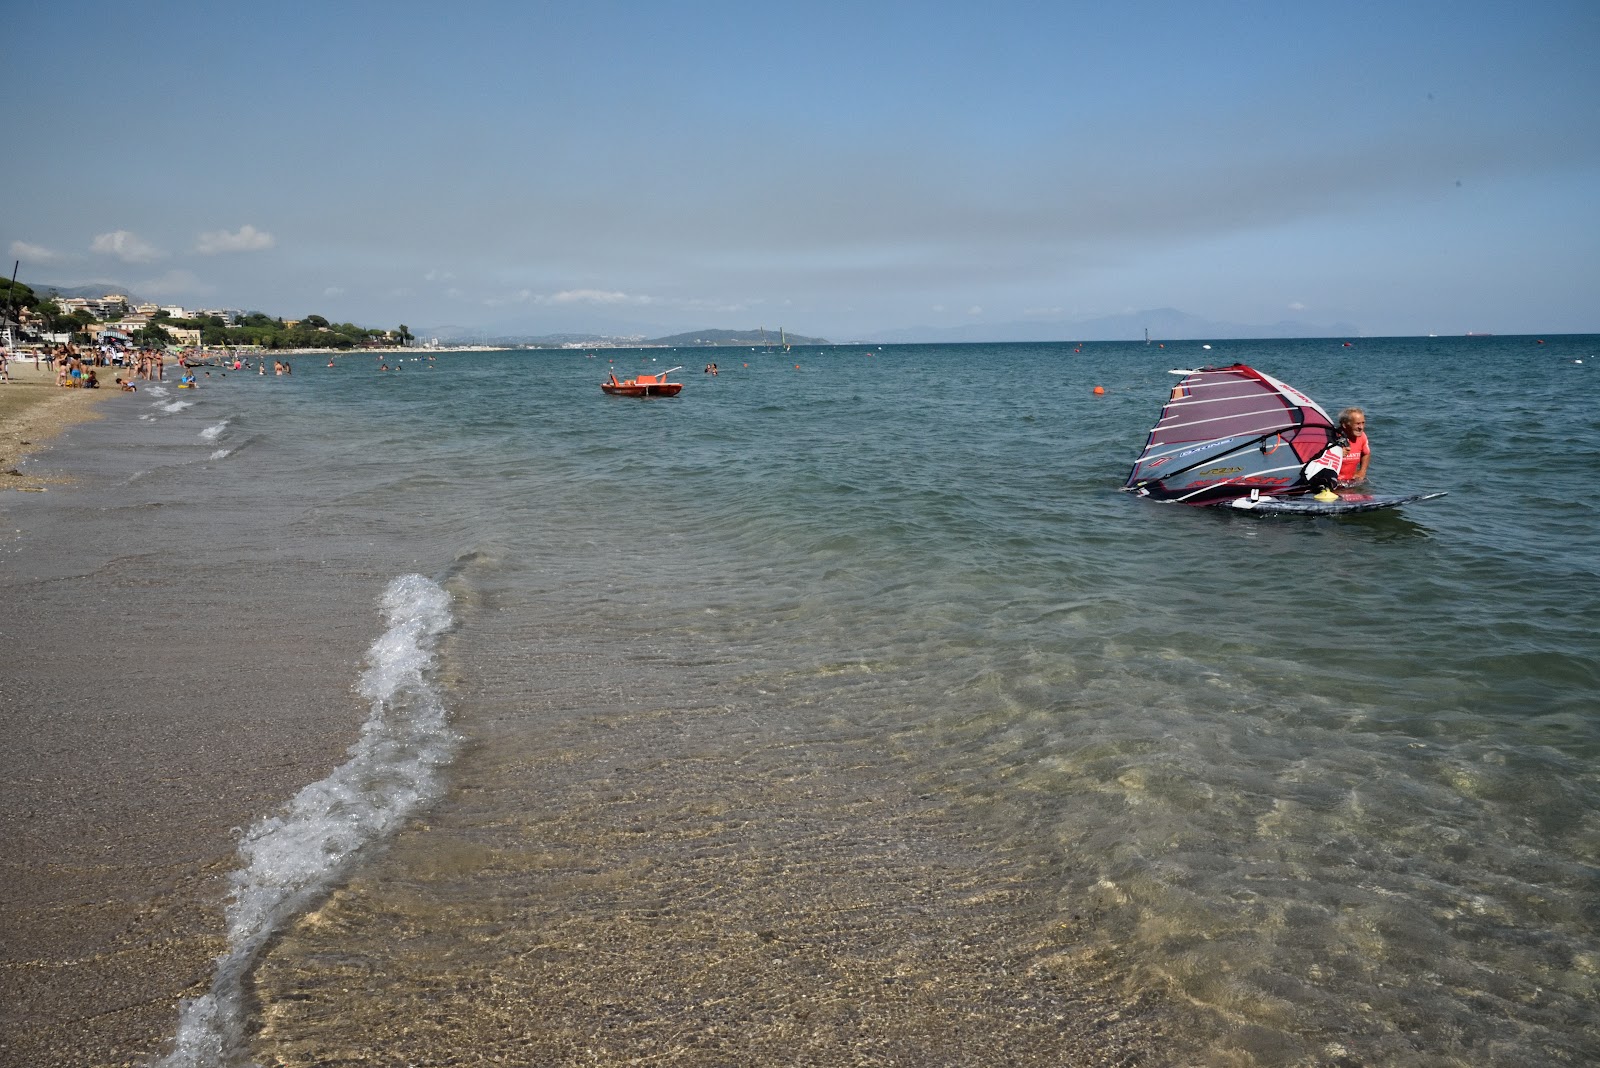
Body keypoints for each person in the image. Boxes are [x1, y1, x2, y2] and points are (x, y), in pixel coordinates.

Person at [1337, 407, 1370, 484]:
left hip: (1351, 481)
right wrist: (1337, 454)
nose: (1361, 427)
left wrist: (1362, 471)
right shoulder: (1332, 437)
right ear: (1345, 425)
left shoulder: (1362, 436)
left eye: (1363, 423)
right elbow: (1317, 459)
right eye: (1357, 423)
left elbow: (1366, 453)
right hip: (1333, 482)